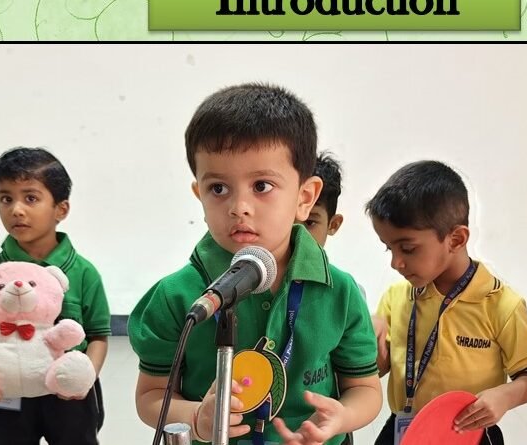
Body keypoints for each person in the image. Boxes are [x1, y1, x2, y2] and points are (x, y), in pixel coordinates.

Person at [129, 83, 382, 445]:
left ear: (305, 197)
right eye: (218, 188)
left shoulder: (339, 292)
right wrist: (197, 418)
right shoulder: (177, 296)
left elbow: (365, 389)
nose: (239, 207)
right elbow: (151, 396)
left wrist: (342, 417)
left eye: (262, 186)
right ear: (199, 194)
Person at [369, 160, 527, 445]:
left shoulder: (501, 304)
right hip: (404, 430)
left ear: (456, 239)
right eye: (388, 248)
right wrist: (368, 343)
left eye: (408, 248)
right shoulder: (397, 296)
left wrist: (505, 396)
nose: (396, 262)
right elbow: (379, 366)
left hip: (469, 432)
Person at [0, 146, 110, 444]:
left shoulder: (84, 272)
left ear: (61, 209)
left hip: (68, 393)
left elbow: (98, 336)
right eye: (6, 198)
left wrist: (84, 379)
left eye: (31, 198)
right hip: (7, 392)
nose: (16, 210)